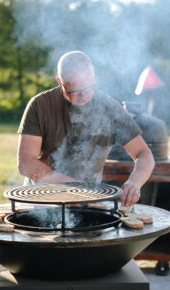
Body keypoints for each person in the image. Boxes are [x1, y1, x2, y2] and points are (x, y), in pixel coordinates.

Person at [17, 51, 154, 206]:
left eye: (89, 88)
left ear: (94, 76)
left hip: (89, 202)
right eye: (74, 91)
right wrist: (72, 185)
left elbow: (144, 153)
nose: (83, 95)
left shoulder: (110, 108)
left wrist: (135, 182)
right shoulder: (40, 106)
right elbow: (26, 163)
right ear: (59, 82)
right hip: (41, 202)